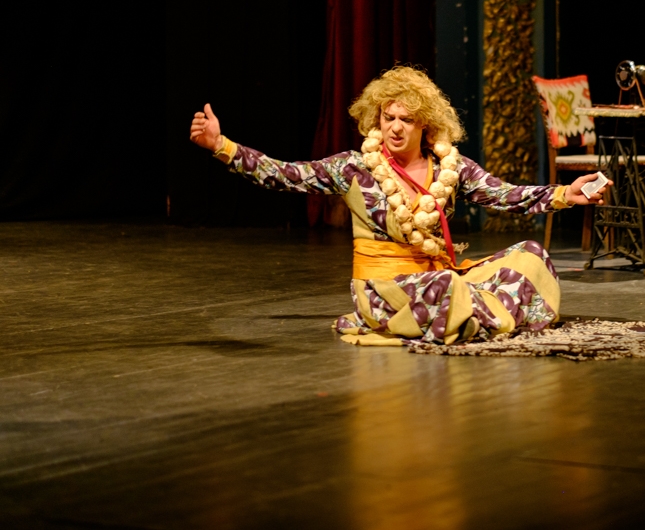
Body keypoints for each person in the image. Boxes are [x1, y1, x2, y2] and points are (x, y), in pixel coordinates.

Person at [189, 66, 609, 346]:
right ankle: (477, 316)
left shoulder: (451, 167)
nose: (394, 126)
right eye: (387, 117)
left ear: (425, 124)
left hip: (438, 275)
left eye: (405, 119)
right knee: (448, 289)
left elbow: (505, 194)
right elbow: (284, 174)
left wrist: (563, 194)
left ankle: (470, 315)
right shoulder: (355, 168)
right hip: (383, 290)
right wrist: (221, 146)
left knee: (531, 256)